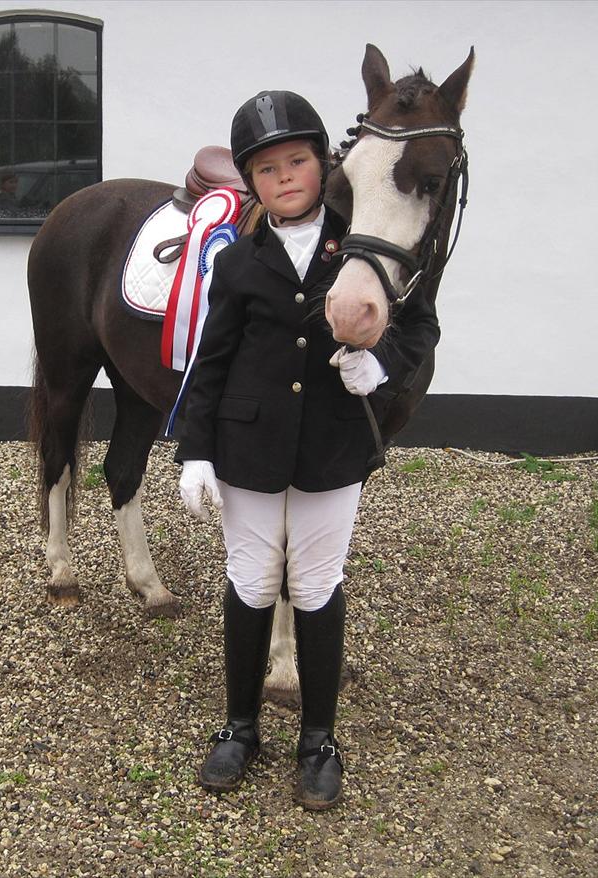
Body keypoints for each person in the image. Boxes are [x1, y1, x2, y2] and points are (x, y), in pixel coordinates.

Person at [174, 90, 441, 809]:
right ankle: (239, 727)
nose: (284, 177)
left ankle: (319, 739)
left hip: (330, 447)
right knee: (252, 582)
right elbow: (213, 361)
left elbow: (419, 329)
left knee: (317, 586)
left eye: (297, 161)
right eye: (266, 170)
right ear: (250, 183)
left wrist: (379, 366)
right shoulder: (236, 265)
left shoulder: (367, 244)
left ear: (324, 165)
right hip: (248, 449)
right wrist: (195, 451)